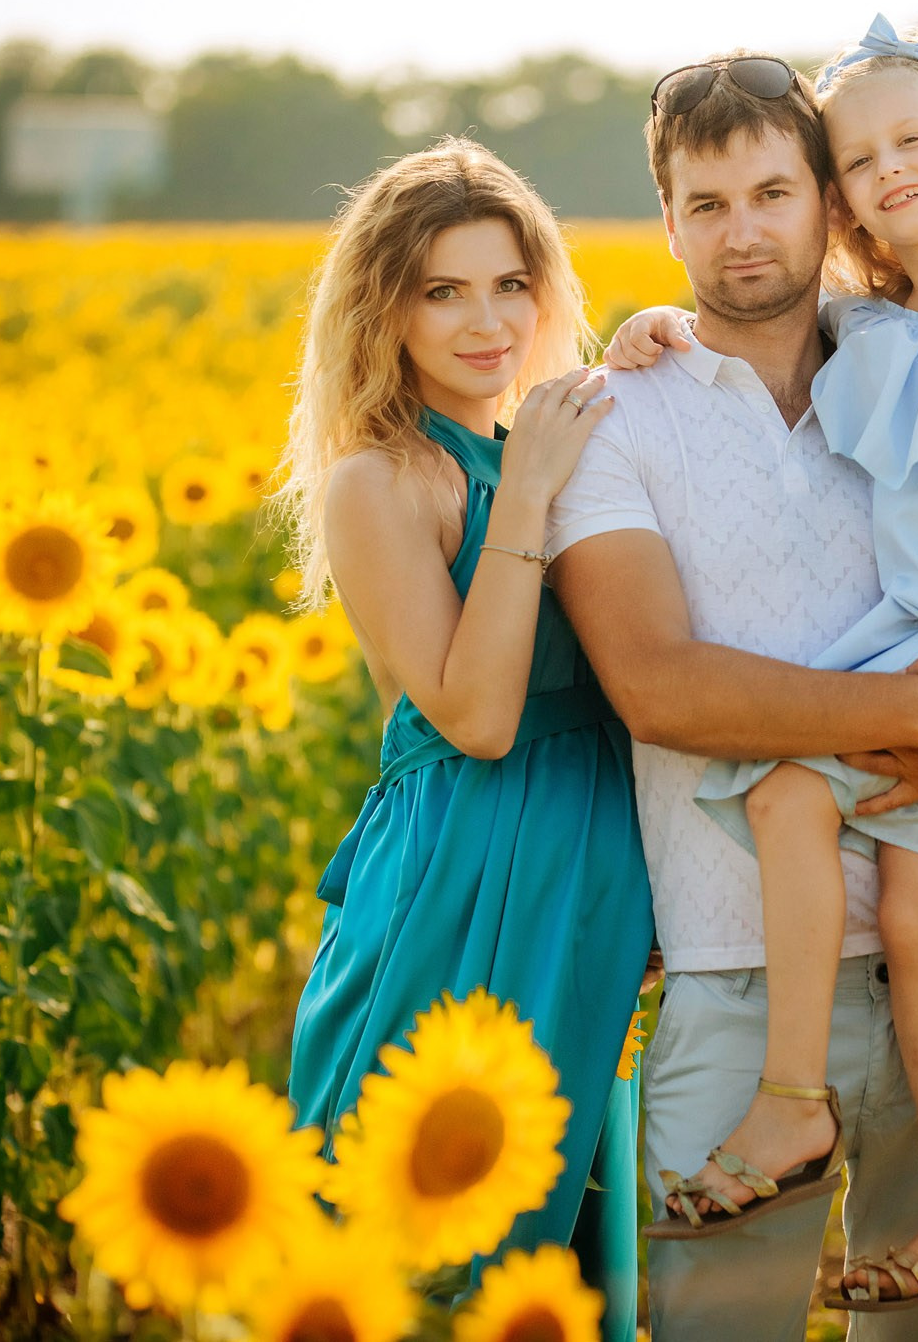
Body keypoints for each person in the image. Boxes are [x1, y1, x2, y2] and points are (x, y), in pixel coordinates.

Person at [542, 49, 918, 1340]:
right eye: (705, 205)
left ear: (828, 203)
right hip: (739, 975)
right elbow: (659, 688)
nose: (742, 232)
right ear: (667, 222)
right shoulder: (614, 418)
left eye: (772, 193)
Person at [275, 137, 653, 1339]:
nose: (487, 322)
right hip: (457, 882)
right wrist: (530, 491)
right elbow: (479, 717)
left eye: (510, 284)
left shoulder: (551, 442)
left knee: (566, 1259)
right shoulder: (380, 481)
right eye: (443, 291)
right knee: (420, 1255)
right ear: (383, 310)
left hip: (587, 878)